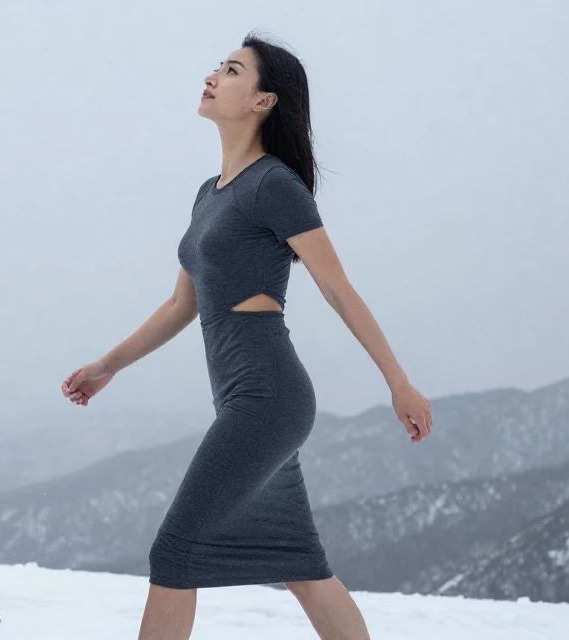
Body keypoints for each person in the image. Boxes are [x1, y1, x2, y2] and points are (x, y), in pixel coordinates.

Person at [61, 32, 433, 640]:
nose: (212, 76)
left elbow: (338, 288)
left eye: (232, 70)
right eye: (218, 66)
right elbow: (182, 303)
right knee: (302, 566)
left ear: (264, 101)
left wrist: (400, 382)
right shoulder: (210, 194)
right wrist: (108, 365)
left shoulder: (274, 186)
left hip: (269, 399)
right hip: (245, 400)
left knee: (175, 554)